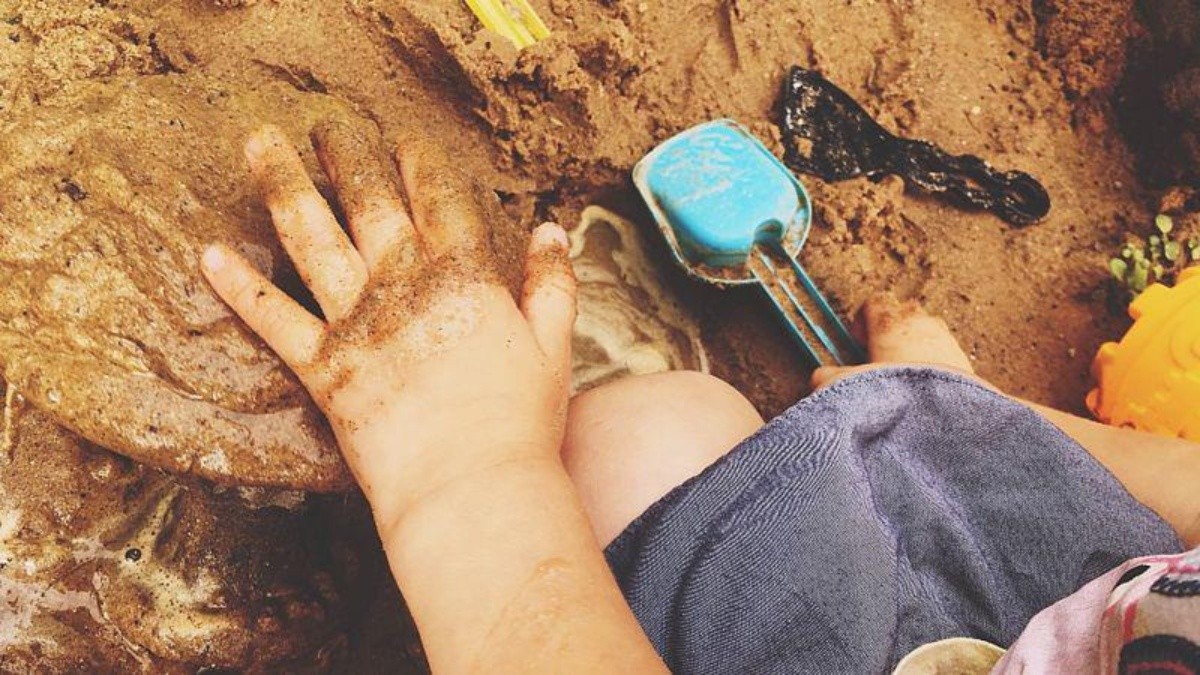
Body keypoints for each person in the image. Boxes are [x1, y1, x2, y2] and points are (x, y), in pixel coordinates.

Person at [200, 122, 1200, 673]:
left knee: (618, 448)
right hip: (1072, 598)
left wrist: (465, 470)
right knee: (668, 423)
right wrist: (976, 413)